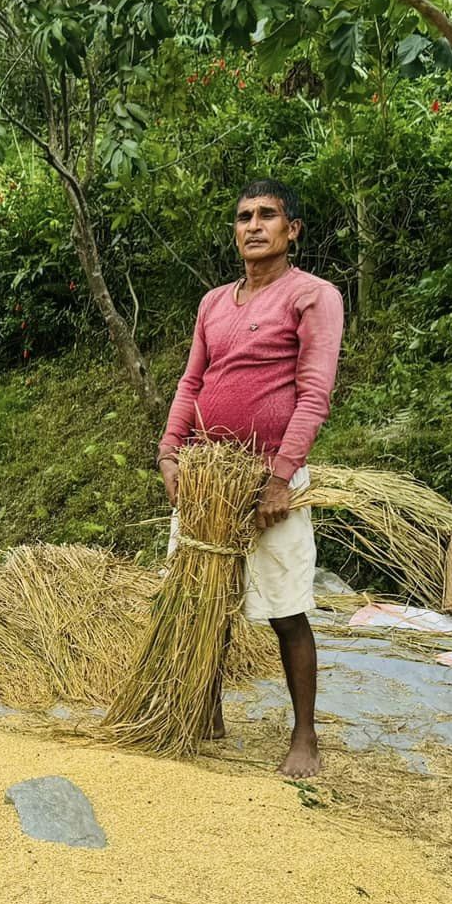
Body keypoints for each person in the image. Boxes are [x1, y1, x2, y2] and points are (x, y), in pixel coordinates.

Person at [158, 178, 344, 778]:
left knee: (286, 607)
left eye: (268, 216)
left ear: (292, 231)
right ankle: (202, 710)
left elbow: (314, 394)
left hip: (269, 475)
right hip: (207, 473)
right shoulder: (214, 302)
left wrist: (281, 478)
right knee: (201, 594)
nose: (254, 226)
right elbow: (192, 383)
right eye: (244, 217)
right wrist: (169, 453)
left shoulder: (312, 296)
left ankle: (304, 735)